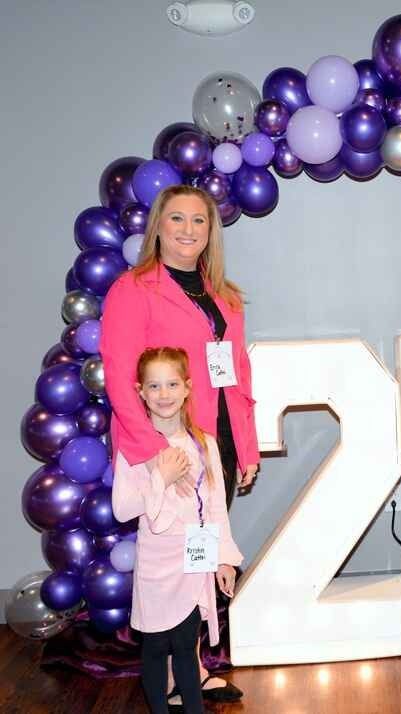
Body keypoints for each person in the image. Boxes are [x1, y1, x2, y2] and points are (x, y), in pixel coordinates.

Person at [100, 185, 258, 704]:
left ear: (211, 230)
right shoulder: (133, 289)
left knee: (201, 551)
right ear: (159, 227)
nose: (188, 230)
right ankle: (171, 672)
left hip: (216, 444)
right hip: (163, 451)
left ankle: (191, 664)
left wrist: (247, 447)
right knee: (167, 563)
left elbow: (236, 374)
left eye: (199, 220)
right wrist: (155, 454)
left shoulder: (224, 295)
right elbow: (123, 378)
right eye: (177, 219)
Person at [112, 347, 243, 714]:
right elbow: (122, 509)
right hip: (156, 563)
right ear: (140, 391)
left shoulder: (205, 444)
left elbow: (215, 507)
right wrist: (160, 477)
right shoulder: (132, 450)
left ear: (188, 388)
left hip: (193, 561)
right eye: (154, 386)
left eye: (172, 384)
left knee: (187, 646)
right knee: (155, 647)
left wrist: (223, 560)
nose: (164, 394)